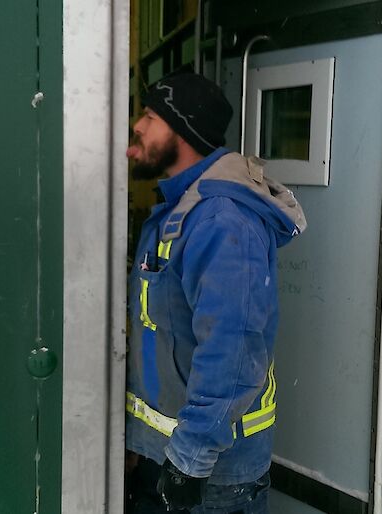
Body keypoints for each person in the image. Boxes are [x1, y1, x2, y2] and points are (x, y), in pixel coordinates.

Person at [125, 72, 306, 513]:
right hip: (165, 455)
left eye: (150, 116)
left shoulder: (223, 222)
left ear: (183, 131)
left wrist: (189, 461)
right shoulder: (179, 209)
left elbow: (233, 356)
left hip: (210, 478)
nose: (138, 126)